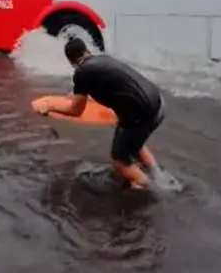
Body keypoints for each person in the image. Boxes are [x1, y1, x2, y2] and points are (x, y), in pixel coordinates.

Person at [34, 38, 165, 189]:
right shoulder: (103, 59)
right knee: (135, 143)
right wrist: (79, 95)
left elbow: (75, 110)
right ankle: (158, 175)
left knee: (119, 161)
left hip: (141, 114)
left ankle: (148, 187)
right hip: (158, 105)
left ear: (70, 61)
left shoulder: (81, 71)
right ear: (87, 51)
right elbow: (115, 83)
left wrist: (49, 106)